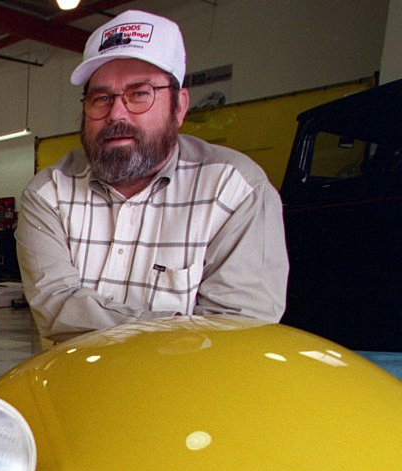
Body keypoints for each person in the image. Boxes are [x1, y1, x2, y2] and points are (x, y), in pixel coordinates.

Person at [16, 9, 288, 344]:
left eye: (140, 93)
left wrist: (106, 322)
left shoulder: (235, 191)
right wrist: (179, 329)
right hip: (74, 376)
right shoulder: (49, 194)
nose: (116, 113)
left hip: (186, 379)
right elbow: (57, 308)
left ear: (179, 106)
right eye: (101, 98)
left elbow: (236, 335)